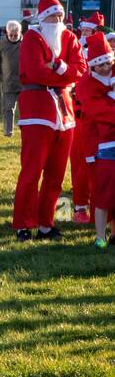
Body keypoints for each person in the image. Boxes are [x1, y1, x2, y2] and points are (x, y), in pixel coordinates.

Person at [14, 0, 85, 241]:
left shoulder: (69, 37)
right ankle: (23, 224)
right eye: (52, 16)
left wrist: (59, 68)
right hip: (37, 110)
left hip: (64, 112)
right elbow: (35, 72)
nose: (57, 20)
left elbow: (81, 69)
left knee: (56, 174)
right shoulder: (32, 39)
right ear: (42, 18)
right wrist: (65, 74)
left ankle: (46, 224)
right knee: (32, 171)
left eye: (60, 16)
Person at [74, 31, 115, 247]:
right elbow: (102, 114)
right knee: (103, 191)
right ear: (92, 65)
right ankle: (101, 236)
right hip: (103, 145)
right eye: (101, 64)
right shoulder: (87, 85)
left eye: (108, 63)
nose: (106, 68)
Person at [0, 20, 23, 138]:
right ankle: (8, 131)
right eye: (11, 35)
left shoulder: (26, 44)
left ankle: (26, 130)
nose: (13, 37)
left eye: (16, 35)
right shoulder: (1, 45)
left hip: (24, 83)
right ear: (7, 33)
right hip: (8, 82)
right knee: (8, 108)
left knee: (25, 109)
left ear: (20, 33)